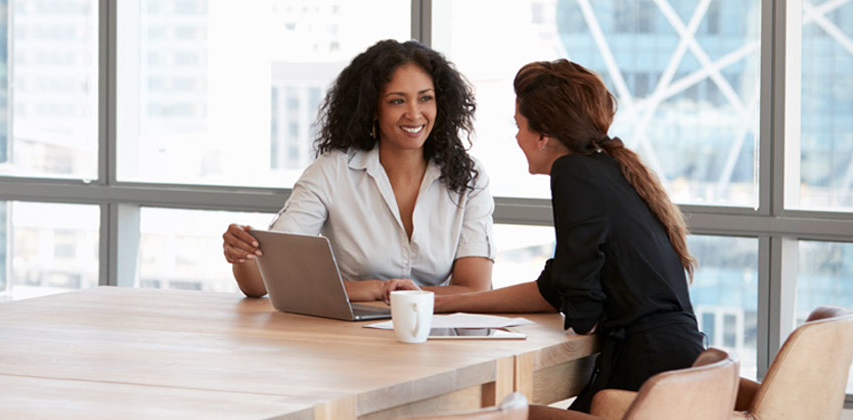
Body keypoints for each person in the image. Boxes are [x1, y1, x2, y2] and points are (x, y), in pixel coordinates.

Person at [432, 59, 704, 414]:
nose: (517, 137)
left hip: (646, 370)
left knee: (504, 413)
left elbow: (580, 299)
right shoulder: (610, 168)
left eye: (519, 126)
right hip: (674, 363)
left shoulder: (572, 171)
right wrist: (442, 302)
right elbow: (556, 287)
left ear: (543, 136)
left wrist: (579, 306)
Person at [221, 40, 495, 303]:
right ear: (373, 108)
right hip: (347, 339)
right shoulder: (332, 172)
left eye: (425, 98)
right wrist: (242, 252)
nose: (414, 113)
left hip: (436, 336)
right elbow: (260, 282)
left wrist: (388, 294)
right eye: (397, 101)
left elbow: (474, 288)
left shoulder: (468, 178)